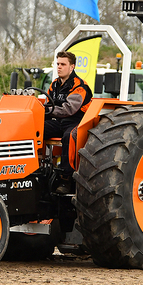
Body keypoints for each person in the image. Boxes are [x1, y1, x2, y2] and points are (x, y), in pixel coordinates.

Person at [44, 51, 93, 194]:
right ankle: (37, 169)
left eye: (63, 64)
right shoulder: (54, 85)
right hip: (59, 121)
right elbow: (47, 105)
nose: (59, 67)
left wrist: (47, 110)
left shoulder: (80, 86)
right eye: (57, 64)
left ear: (72, 67)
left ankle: (67, 179)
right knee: (34, 129)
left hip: (77, 121)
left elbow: (69, 109)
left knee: (70, 136)